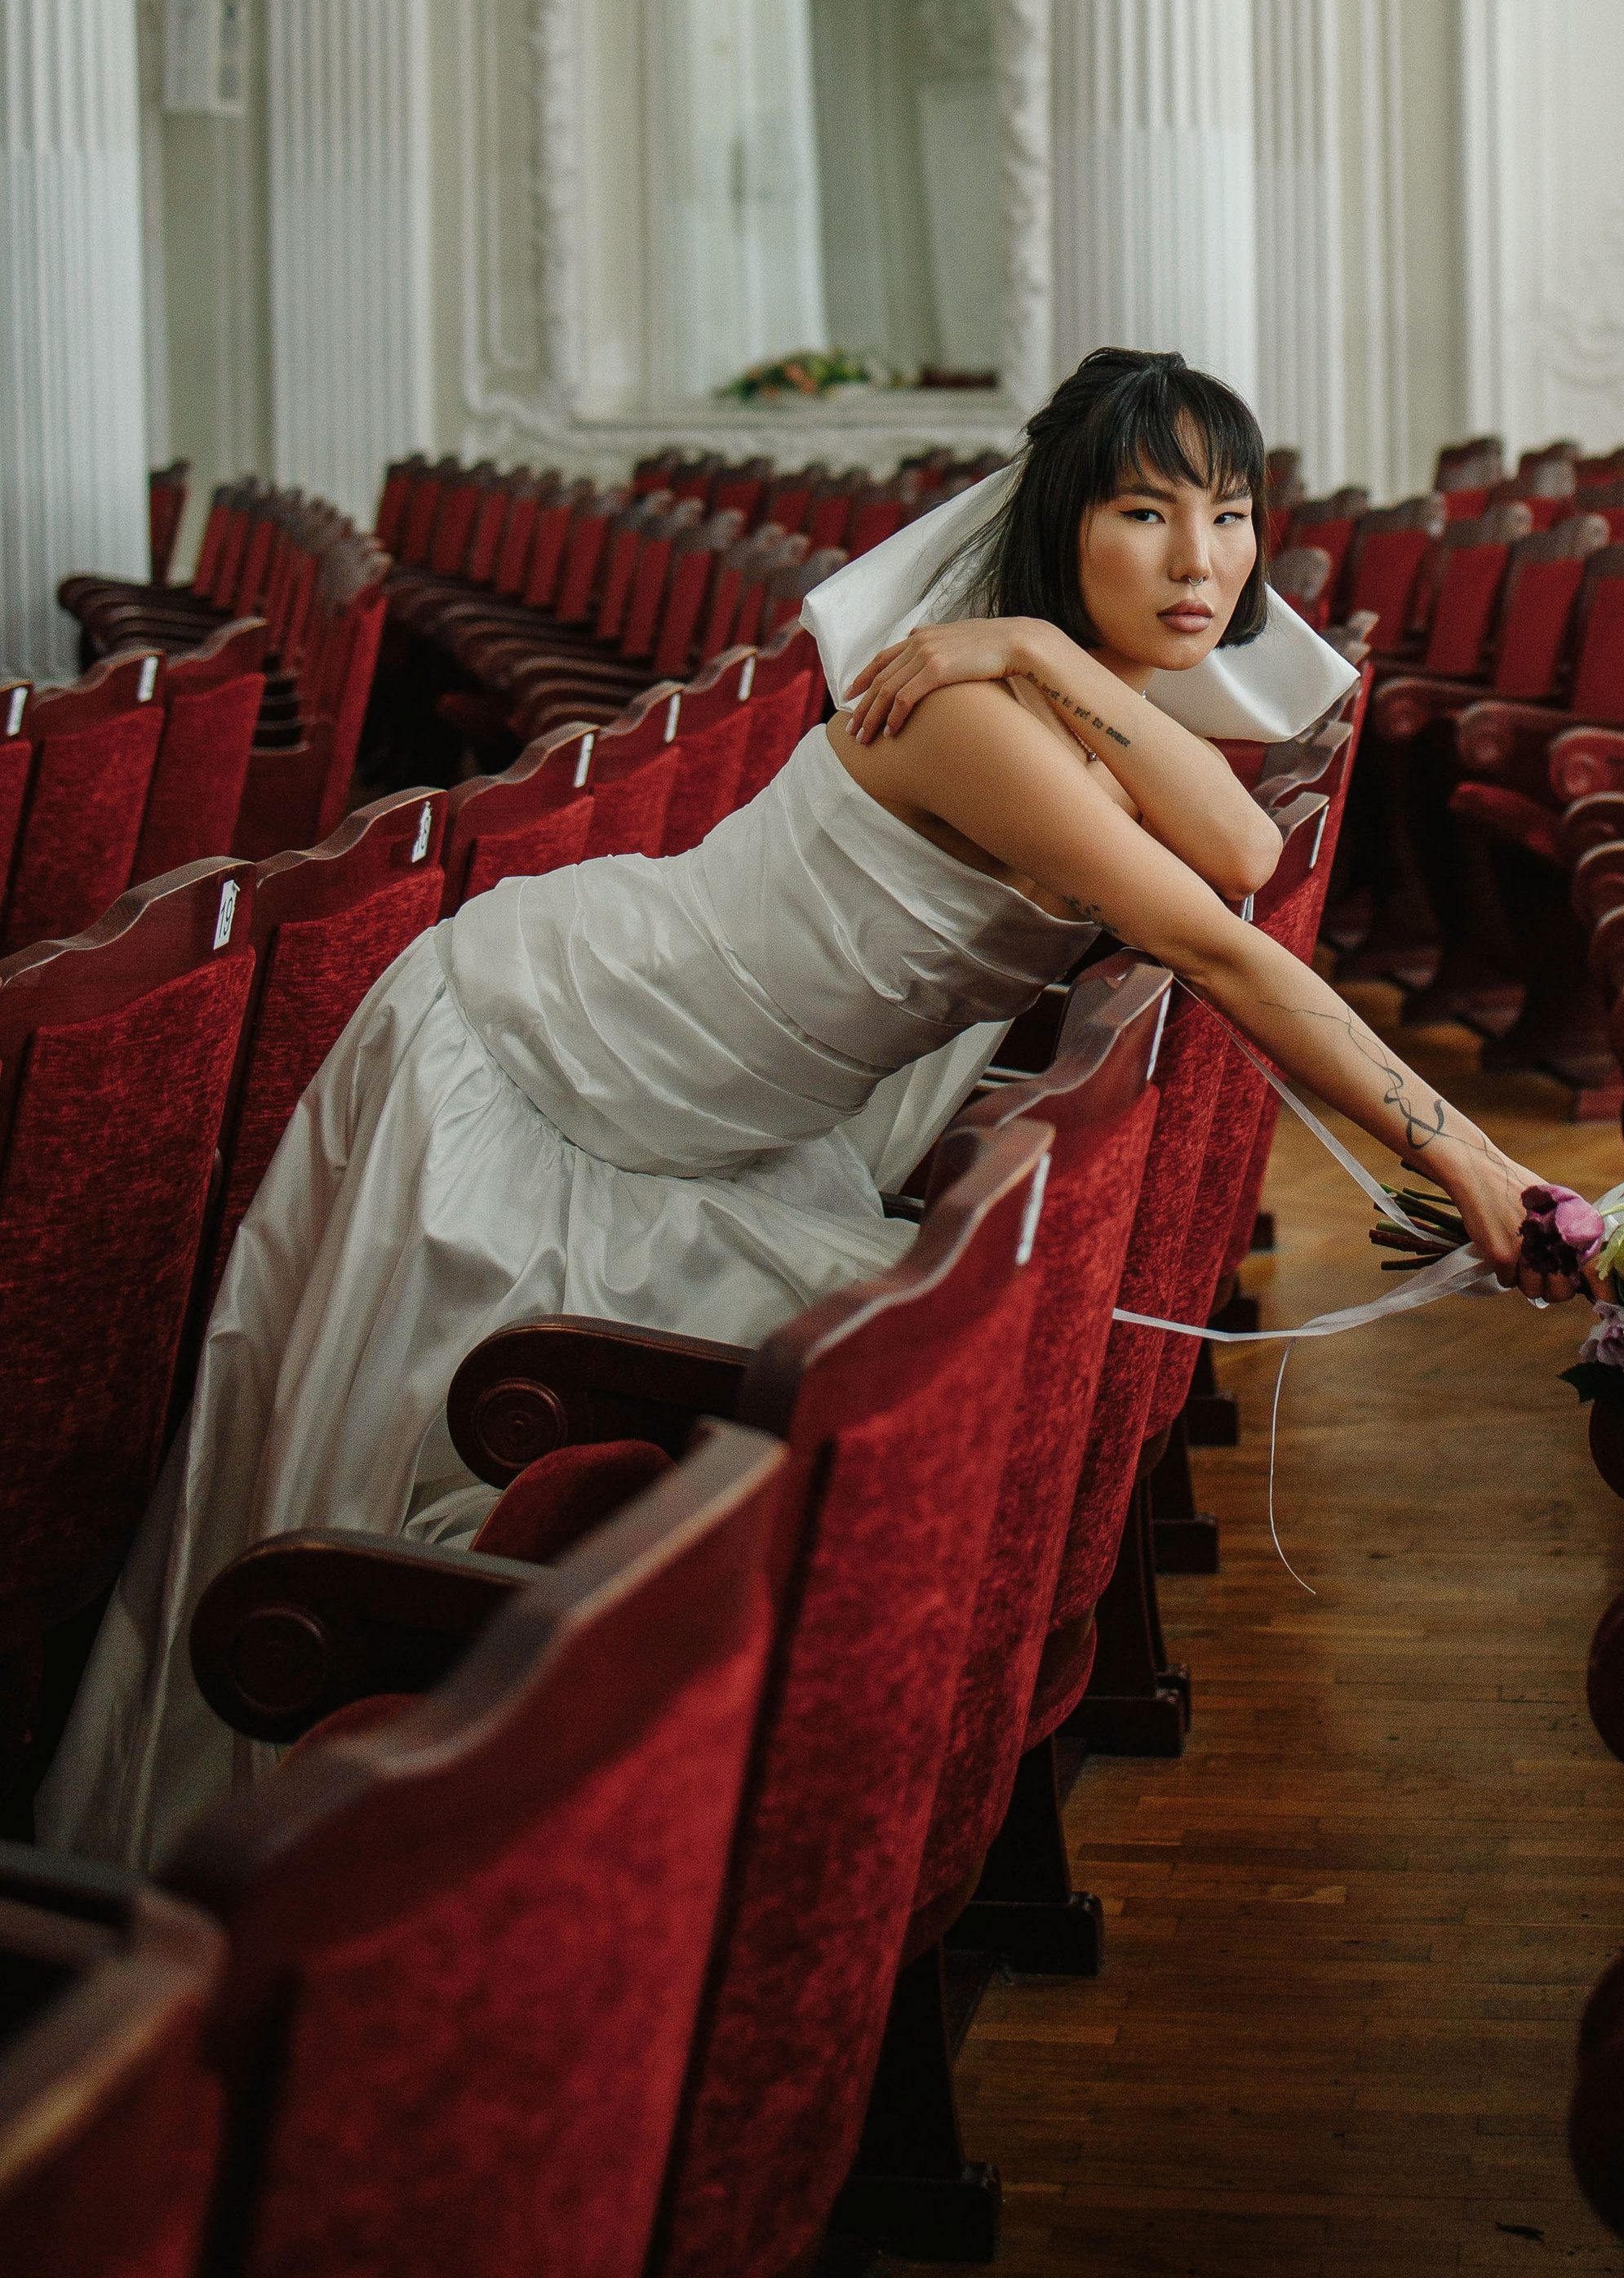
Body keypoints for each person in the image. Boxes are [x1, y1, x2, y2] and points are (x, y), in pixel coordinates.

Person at [41, 349, 1546, 1867]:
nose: (1200, 562)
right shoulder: (965, 720)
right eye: (1145, 515)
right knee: (361, 1468)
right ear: (1059, 517)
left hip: (691, 1105)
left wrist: (1037, 643)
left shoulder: (1030, 683)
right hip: (543, 1051)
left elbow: (1237, 844)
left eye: (1229, 517)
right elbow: (1222, 929)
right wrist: (1474, 1161)